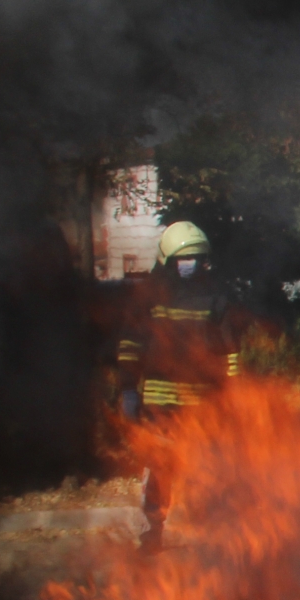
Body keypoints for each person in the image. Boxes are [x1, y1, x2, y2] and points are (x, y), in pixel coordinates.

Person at [115, 219, 240, 551]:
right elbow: (130, 344)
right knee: (160, 468)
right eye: (185, 259)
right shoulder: (149, 297)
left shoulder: (215, 298)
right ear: (166, 260)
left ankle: (207, 535)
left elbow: (231, 351)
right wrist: (128, 389)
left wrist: (233, 393)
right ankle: (152, 532)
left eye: (197, 259)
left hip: (203, 404)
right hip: (160, 404)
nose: (191, 266)